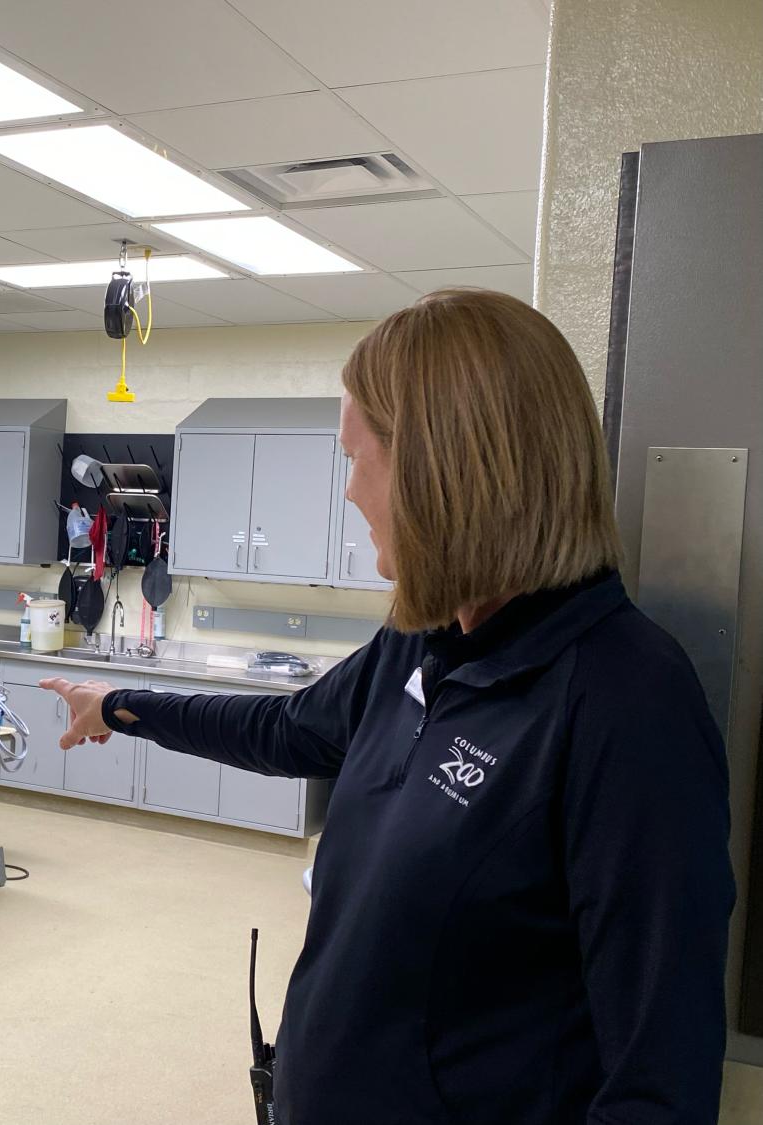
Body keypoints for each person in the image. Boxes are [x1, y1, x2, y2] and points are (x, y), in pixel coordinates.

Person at [42, 290, 735, 1125]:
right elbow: (290, 728)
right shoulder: (426, 640)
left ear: (439, 467)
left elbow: (658, 1084)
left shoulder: (626, 703)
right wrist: (120, 705)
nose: (349, 492)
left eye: (356, 457)